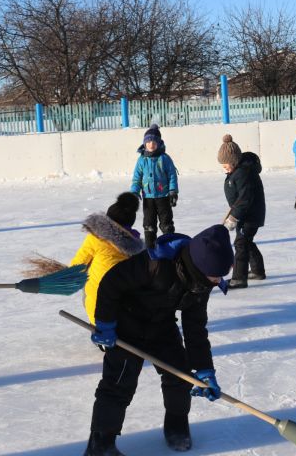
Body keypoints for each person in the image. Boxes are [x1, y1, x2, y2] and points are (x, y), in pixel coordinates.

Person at [83, 225, 234, 456]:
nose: (218, 281)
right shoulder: (155, 262)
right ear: (200, 266)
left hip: (161, 326)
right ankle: (101, 442)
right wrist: (105, 323)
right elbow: (111, 282)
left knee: (179, 375)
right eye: (216, 276)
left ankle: (176, 424)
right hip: (127, 326)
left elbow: (195, 327)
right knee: (118, 383)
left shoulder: (202, 283)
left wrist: (204, 369)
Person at [70, 192, 144, 325]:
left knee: (89, 281)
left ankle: (99, 327)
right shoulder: (137, 248)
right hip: (130, 317)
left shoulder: (95, 239)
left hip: (100, 316)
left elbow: (76, 268)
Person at [218, 134, 266, 288]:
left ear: (234, 161)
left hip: (250, 215)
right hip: (246, 214)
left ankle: (239, 278)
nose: (224, 168)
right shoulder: (237, 172)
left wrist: (233, 217)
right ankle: (258, 271)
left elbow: (245, 199)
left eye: (226, 165)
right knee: (246, 241)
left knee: (240, 243)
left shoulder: (243, 173)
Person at [130, 124, 179, 249]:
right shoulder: (141, 160)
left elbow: (172, 175)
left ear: (159, 143)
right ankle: (150, 249)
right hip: (148, 198)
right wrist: (134, 193)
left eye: (154, 141)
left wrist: (173, 191)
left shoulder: (164, 158)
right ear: (145, 143)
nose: (151, 144)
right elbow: (137, 178)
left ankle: (169, 246)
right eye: (148, 141)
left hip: (164, 197)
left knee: (166, 223)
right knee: (149, 224)